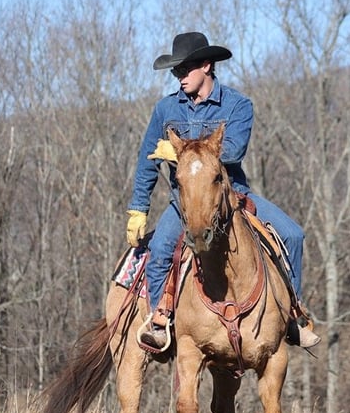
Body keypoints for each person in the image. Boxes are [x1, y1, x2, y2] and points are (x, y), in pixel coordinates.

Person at [126, 31, 320, 351]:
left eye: (184, 69)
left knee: (293, 235)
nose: (179, 77)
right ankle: (162, 321)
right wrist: (138, 209)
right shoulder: (165, 109)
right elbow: (147, 159)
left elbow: (232, 150)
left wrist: (180, 153)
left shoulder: (238, 105)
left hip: (233, 195)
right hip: (184, 202)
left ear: (206, 66)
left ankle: (291, 315)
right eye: (175, 71)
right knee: (160, 249)